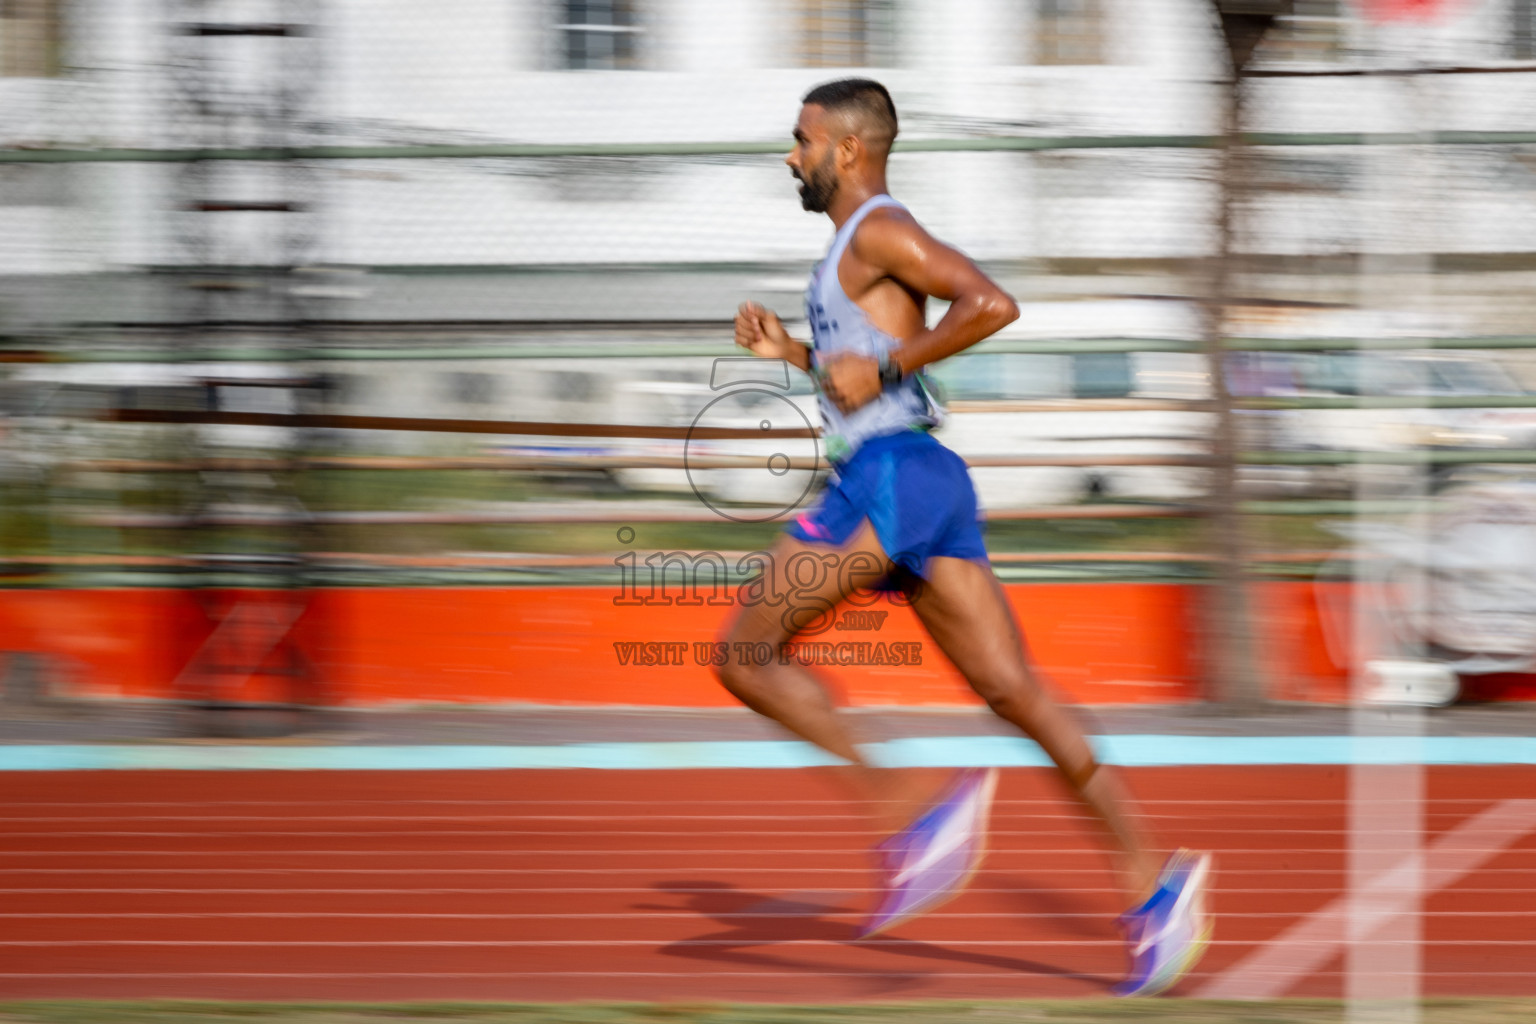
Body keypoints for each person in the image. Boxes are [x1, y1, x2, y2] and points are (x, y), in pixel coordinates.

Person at [715, 77, 1212, 997]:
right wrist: (792, 355)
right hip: (922, 479)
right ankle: (1156, 886)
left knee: (745, 652)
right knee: (1013, 694)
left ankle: (913, 816)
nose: (792, 155)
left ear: (849, 149)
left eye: (801, 140)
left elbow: (990, 304)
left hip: (895, 476)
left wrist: (893, 361)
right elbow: (861, 375)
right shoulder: (848, 253)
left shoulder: (877, 230)